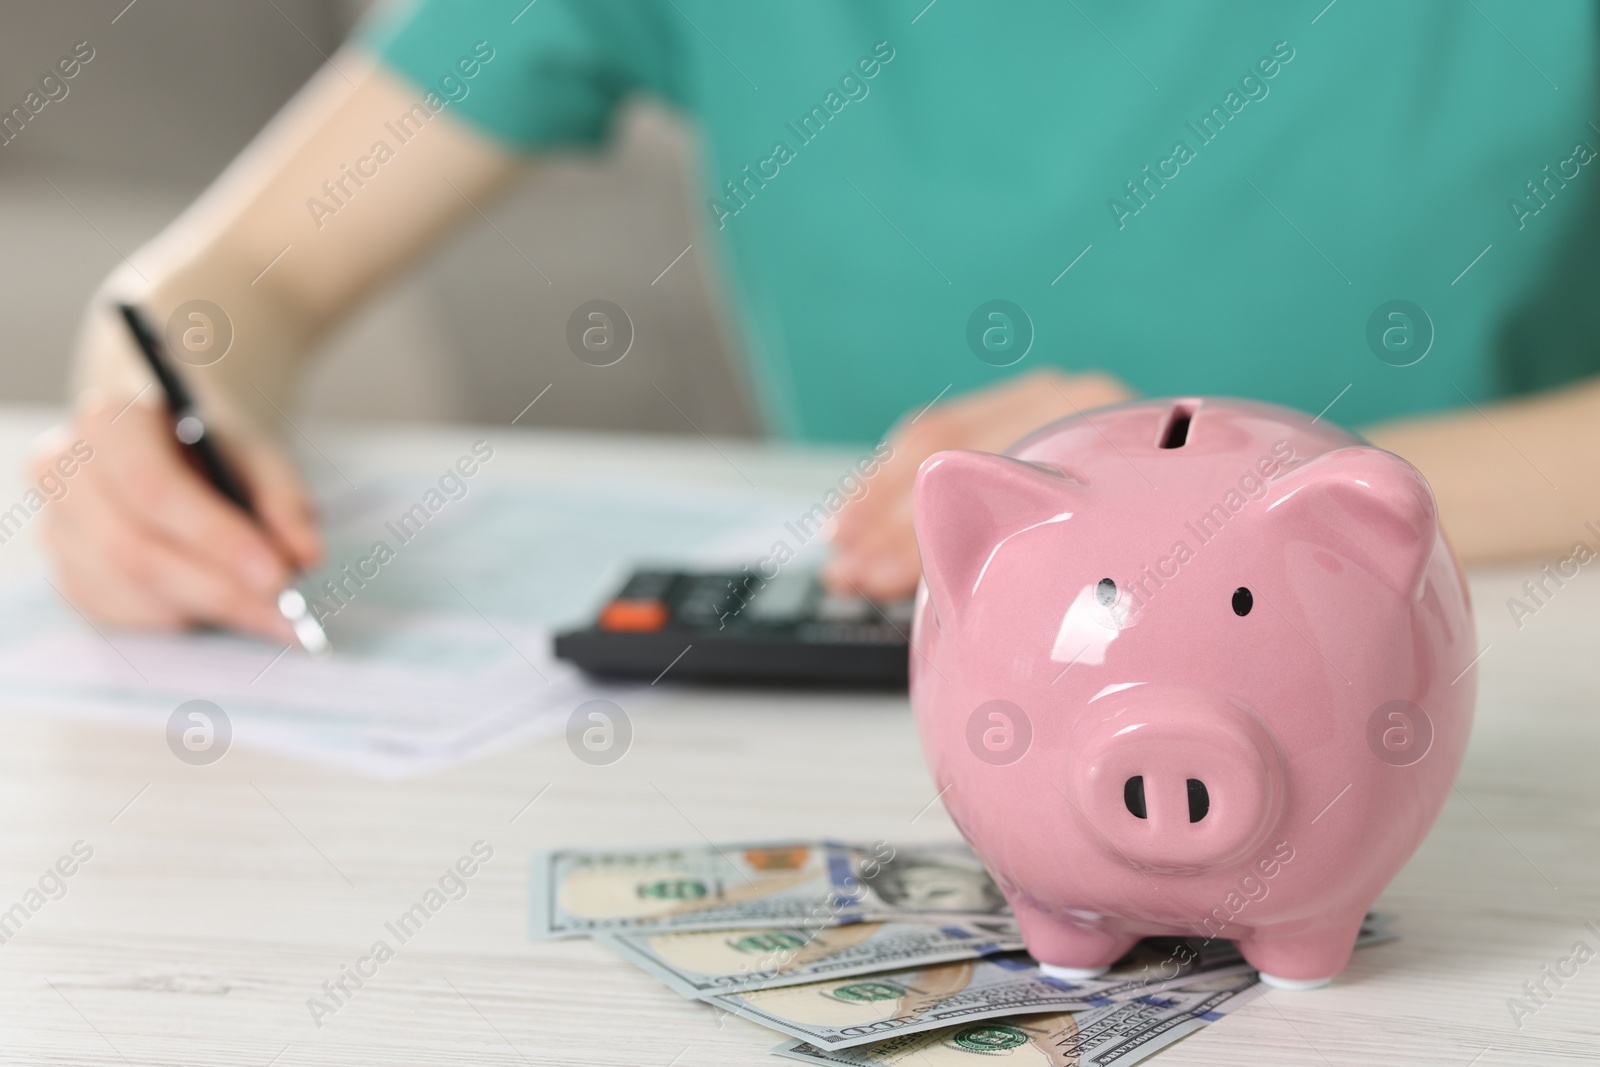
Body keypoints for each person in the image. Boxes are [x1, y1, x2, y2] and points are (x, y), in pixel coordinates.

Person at [37, 0, 1600, 643]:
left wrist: (1230, 497)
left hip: (1499, 663)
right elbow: (230, 283)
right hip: (894, 708)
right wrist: (146, 423)